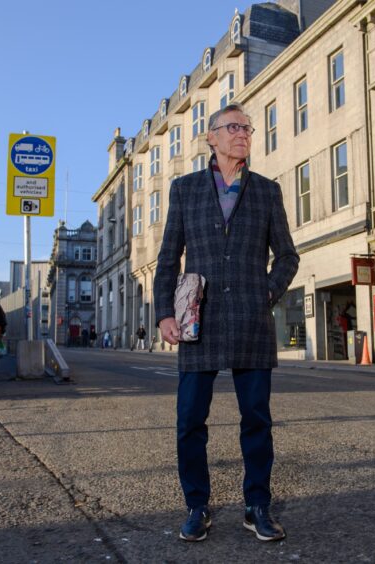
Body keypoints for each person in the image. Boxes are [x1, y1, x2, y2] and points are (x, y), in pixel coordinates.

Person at [154, 103, 299, 543]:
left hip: (251, 320)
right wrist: (164, 312)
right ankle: (197, 506)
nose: (243, 134)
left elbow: (288, 256)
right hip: (199, 321)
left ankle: (258, 505)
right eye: (233, 127)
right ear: (211, 138)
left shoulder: (267, 191)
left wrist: (268, 291)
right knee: (189, 420)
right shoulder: (184, 189)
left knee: (256, 419)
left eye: (247, 128)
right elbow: (167, 258)